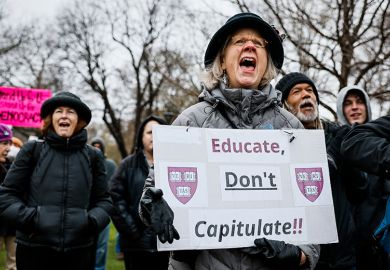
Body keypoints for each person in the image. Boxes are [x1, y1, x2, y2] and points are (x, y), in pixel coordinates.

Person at [139, 13, 320, 270]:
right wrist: (152, 205)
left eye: (258, 44)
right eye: (240, 41)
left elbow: (315, 214)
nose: (250, 46)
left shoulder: (291, 128)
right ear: (222, 60)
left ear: (266, 61)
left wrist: (299, 255)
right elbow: (152, 195)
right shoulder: (191, 122)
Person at [0, 92, 113, 270]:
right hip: (33, 252)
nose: (64, 116)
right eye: (58, 111)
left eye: (71, 112)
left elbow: (105, 202)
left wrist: (90, 222)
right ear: (51, 118)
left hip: (79, 253)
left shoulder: (93, 156)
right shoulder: (32, 150)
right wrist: (32, 219)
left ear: (80, 120)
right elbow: (6, 196)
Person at [276, 72, 367, 270]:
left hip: (342, 257)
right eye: (297, 92)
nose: (306, 95)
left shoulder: (339, 136)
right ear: (284, 104)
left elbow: (360, 191)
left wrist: (347, 161)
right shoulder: (275, 144)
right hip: (299, 258)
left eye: (310, 91)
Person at [337, 86, 388, 269]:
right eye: (348, 104)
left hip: (379, 247)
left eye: (359, 102)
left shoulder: (382, 142)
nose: (355, 107)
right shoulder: (332, 143)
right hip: (346, 250)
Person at [110, 115, 170, 270]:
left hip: (167, 244)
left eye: (158, 132)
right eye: (150, 132)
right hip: (135, 247)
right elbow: (115, 199)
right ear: (141, 137)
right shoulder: (127, 165)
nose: (154, 136)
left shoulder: (175, 164)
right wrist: (134, 233)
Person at [91, 137, 118, 270]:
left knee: (101, 245)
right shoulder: (86, 162)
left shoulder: (110, 165)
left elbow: (113, 187)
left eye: (99, 146)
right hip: (87, 209)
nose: (97, 149)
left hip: (103, 208)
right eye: (94, 146)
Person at [0, 124, 16, 270]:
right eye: (5, 143)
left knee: (14, 263)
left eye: (10, 143)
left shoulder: (14, 167)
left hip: (12, 224)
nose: (9, 148)